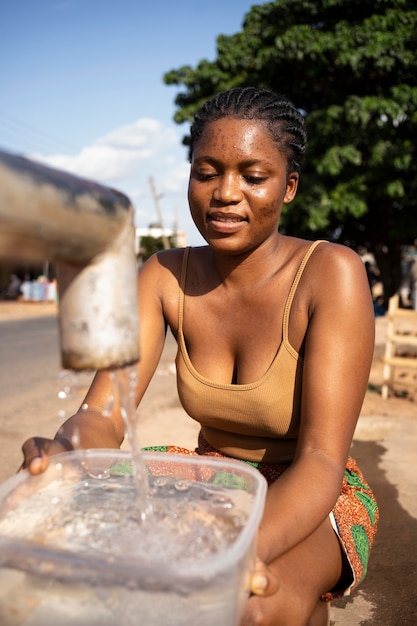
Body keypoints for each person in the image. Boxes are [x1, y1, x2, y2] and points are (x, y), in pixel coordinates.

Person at [20, 87, 378, 626]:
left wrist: (238, 545)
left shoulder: (331, 274)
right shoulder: (163, 275)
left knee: (258, 604)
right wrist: (68, 456)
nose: (225, 193)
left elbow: (322, 461)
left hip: (314, 493)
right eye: (206, 172)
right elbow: (102, 414)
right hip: (213, 479)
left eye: (254, 177)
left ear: (289, 188)